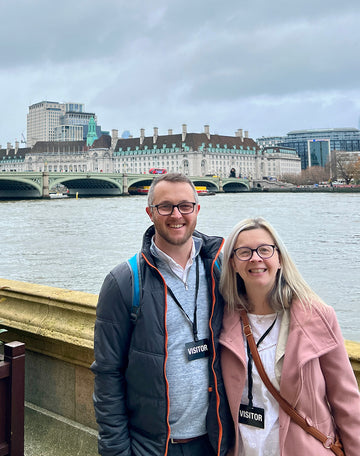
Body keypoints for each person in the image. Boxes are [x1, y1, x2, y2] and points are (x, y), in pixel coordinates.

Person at [91, 173, 234, 456]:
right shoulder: (124, 281)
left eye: (185, 206)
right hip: (153, 447)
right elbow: (108, 375)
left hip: (215, 441)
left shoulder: (221, 269)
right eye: (165, 206)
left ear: (197, 210)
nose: (176, 215)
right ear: (150, 213)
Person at [219, 217, 360, 456]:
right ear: (232, 263)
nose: (256, 258)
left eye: (265, 250)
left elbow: (346, 401)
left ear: (280, 258)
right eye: (244, 252)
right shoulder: (221, 319)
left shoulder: (317, 317)